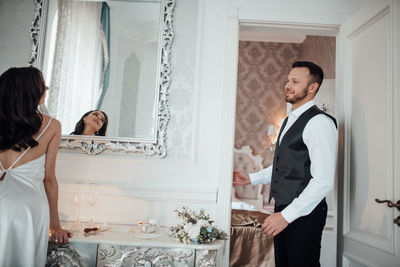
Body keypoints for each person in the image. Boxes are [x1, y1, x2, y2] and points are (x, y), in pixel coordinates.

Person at [233, 61, 337, 267]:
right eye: (288, 80)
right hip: (284, 209)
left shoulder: (319, 123)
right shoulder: (290, 119)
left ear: (312, 87)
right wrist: (251, 179)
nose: (287, 85)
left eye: (295, 81)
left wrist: (285, 216)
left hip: (304, 214)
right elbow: (285, 166)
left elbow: (323, 181)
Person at [0, 67, 71, 267]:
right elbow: (49, 179)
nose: (46, 88)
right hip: (27, 211)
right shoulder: (52, 126)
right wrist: (55, 225)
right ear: (28, 91)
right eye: (42, 84)